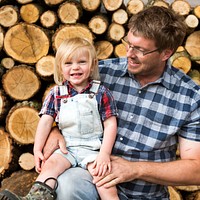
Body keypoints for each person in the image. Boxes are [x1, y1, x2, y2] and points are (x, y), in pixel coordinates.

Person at [37, 6, 200, 200]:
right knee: (69, 184)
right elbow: (59, 101)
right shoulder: (100, 73)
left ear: (166, 53)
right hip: (91, 175)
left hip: (144, 194)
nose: (129, 53)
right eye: (128, 44)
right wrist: (54, 130)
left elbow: (196, 169)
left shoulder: (189, 96)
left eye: (139, 49)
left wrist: (135, 169)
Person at [0, 38, 119, 200]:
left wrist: (104, 153)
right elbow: (45, 122)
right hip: (66, 148)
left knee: (104, 180)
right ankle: (33, 198)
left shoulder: (101, 92)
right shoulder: (56, 94)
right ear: (60, 67)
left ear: (92, 65)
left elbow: (111, 124)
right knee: (51, 166)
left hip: (92, 150)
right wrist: (37, 149)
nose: (75, 67)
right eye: (68, 63)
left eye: (82, 62)